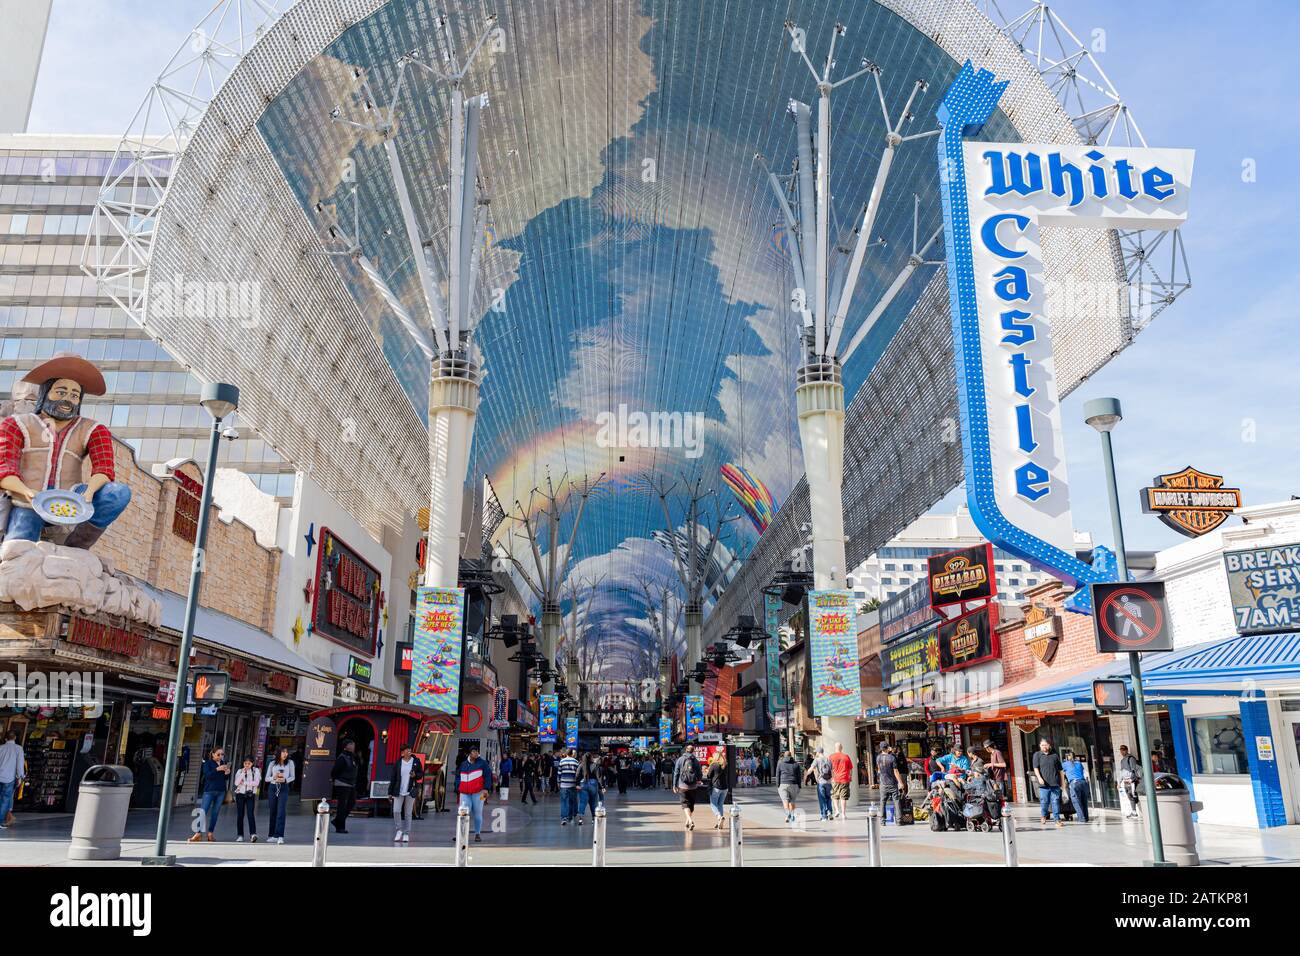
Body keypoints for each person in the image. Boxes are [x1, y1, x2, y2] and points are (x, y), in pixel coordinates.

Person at [0, 353, 134, 549]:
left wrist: (87, 494)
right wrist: (26, 492)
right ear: (45, 393)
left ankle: (76, 548)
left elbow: (104, 469)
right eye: (61, 392)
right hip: (30, 499)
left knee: (118, 493)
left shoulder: (93, 429)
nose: (67, 400)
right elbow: (4, 467)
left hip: (72, 498)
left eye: (74, 395)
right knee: (19, 551)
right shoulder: (16, 424)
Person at [454, 745, 493, 842]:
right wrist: (458, 786)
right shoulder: (463, 764)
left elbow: (488, 776)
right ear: (470, 753)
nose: (476, 753)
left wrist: (486, 789)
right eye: (474, 751)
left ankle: (477, 834)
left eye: (477, 751)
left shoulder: (483, 763)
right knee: (463, 814)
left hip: (479, 793)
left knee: (478, 813)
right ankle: (461, 834)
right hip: (464, 793)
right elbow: (458, 776)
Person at [191, 746, 231, 842]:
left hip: (221, 791)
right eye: (218, 754)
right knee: (203, 811)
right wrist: (217, 769)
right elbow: (207, 776)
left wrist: (227, 773)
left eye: (222, 754)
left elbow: (225, 779)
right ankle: (198, 833)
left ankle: (210, 833)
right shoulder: (208, 763)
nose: (220, 756)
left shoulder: (223, 763)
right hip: (209, 791)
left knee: (215, 813)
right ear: (213, 754)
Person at [390, 743, 424, 842]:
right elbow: (393, 778)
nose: (409, 751)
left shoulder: (416, 762)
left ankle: (406, 833)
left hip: (410, 790)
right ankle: (399, 830)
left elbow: (420, 774)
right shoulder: (398, 763)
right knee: (396, 810)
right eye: (407, 750)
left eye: (410, 749)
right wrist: (390, 792)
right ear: (402, 753)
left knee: (408, 813)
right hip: (398, 790)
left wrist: (415, 775)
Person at [1032, 738, 1066, 828]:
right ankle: (1043, 815)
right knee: (1044, 802)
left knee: (1055, 802)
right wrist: (1039, 778)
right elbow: (1035, 768)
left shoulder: (1055, 756)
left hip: (1055, 783)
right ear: (1040, 746)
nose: (1044, 747)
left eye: (1046, 745)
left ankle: (1057, 820)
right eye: (1042, 745)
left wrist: (1063, 783)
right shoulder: (1037, 755)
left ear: (1049, 746)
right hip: (1044, 784)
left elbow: (1061, 771)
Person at [265, 747, 294, 844]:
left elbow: (292, 776)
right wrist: (274, 777)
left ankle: (280, 835)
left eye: (286, 752)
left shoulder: (290, 763)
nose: (285, 754)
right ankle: (272, 835)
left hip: (284, 787)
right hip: (273, 787)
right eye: (283, 752)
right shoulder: (272, 763)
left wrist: (285, 780)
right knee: (273, 812)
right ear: (278, 753)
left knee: (281, 812)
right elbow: (266, 778)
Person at [329, 739, 359, 834]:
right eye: (351, 744)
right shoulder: (342, 757)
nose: (353, 746)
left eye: (353, 744)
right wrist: (336, 780)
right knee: (342, 805)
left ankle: (337, 821)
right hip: (342, 783)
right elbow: (334, 771)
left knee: (352, 802)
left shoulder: (352, 757)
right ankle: (340, 827)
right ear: (346, 746)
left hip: (351, 784)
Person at [672, 744, 705, 830]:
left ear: (686, 750)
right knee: (691, 805)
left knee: (684, 804)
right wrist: (699, 780)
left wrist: (674, 785)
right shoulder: (696, 760)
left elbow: (676, 773)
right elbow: (699, 773)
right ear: (693, 751)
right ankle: (688, 821)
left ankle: (689, 820)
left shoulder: (680, 759)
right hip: (693, 786)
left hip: (682, 786)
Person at [0, 729, 25, 829]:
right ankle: (1, 822)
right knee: (5, 800)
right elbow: (19, 764)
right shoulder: (18, 749)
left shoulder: (0, 748)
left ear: (6, 738)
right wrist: (20, 777)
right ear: (15, 738)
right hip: (9, 778)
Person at [233, 756, 261, 843]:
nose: (247, 765)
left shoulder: (255, 771)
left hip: (250, 795)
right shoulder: (240, 771)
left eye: (249, 763)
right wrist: (243, 773)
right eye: (245, 763)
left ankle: (253, 834)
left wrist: (244, 782)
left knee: (250, 814)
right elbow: (236, 783)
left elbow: (256, 783)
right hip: (240, 795)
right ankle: (240, 835)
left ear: (252, 763)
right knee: (240, 815)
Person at [804, 747, 833, 820]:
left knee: (822, 799)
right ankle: (829, 812)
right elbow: (832, 770)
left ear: (818, 752)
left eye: (816, 752)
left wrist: (806, 774)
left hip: (821, 782)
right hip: (829, 782)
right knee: (828, 798)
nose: (815, 753)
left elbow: (811, 769)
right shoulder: (829, 759)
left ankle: (824, 816)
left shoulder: (816, 760)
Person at [1062, 750, 1090, 823]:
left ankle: (1082, 819)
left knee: (1076, 802)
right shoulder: (1079, 763)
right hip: (1083, 782)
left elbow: (1060, 771)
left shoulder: (1065, 764)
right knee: (1084, 801)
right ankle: (1086, 818)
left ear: (1067, 757)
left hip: (1074, 783)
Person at [775, 749, 802, 825]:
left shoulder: (780, 763)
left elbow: (778, 774)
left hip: (783, 784)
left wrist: (778, 785)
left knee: (785, 801)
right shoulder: (796, 764)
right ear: (791, 756)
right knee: (792, 801)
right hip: (794, 784)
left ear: (784, 756)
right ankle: (792, 814)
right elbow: (799, 776)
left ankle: (787, 815)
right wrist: (799, 785)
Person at [828, 742, 853, 820]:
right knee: (843, 797)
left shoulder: (830, 757)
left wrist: (831, 777)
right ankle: (843, 814)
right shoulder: (846, 757)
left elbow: (829, 769)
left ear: (835, 748)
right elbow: (851, 768)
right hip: (845, 779)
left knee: (835, 796)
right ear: (841, 748)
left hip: (834, 779)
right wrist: (850, 776)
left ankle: (837, 811)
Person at [578, 752, 605, 822]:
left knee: (582, 802)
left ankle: (580, 818)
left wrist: (577, 784)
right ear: (591, 758)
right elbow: (599, 777)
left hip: (583, 784)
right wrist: (602, 787)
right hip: (593, 784)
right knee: (593, 802)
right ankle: (593, 818)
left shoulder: (581, 765)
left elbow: (577, 775)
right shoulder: (595, 765)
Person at [876, 744, 899, 824]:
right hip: (892, 782)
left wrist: (879, 780)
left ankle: (882, 821)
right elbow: (895, 771)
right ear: (887, 748)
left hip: (883, 783)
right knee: (896, 800)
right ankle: (899, 820)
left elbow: (879, 769)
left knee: (882, 801)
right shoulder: (892, 758)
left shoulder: (878, 757)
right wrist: (900, 782)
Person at [556, 748, 581, 824]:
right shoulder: (576, 762)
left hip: (563, 785)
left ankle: (564, 818)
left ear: (566, 754)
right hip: (573, 785)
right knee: (572, 801)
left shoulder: (562, 761)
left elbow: (559, 773)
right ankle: (570, 816)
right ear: (572, 754)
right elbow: (578, 774)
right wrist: (578, 784)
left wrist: (558, 783)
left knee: (564, 802)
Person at [706, 750, 729, 828]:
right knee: (720, 805)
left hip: (716, 787)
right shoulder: (725, 765)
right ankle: (720, 821)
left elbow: (709, 776)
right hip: (725, 788)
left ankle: (719, 816)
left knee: (713, 804)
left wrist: (707, 770)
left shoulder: (714, 765)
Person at [1117, 745, 1141, 818]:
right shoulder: (1122, 760)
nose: (1122, 751)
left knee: (1134, 795)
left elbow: (1134, 770)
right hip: (1125, 781)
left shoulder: (1131, 758)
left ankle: (1137, 811)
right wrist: (1119, 782)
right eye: (1121, 750)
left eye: (1123, 750)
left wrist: (1132, 779)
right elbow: (1122, 772)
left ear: (1126, 750)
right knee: (1130, 796)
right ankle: (1134, 812)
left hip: (1131, 781)